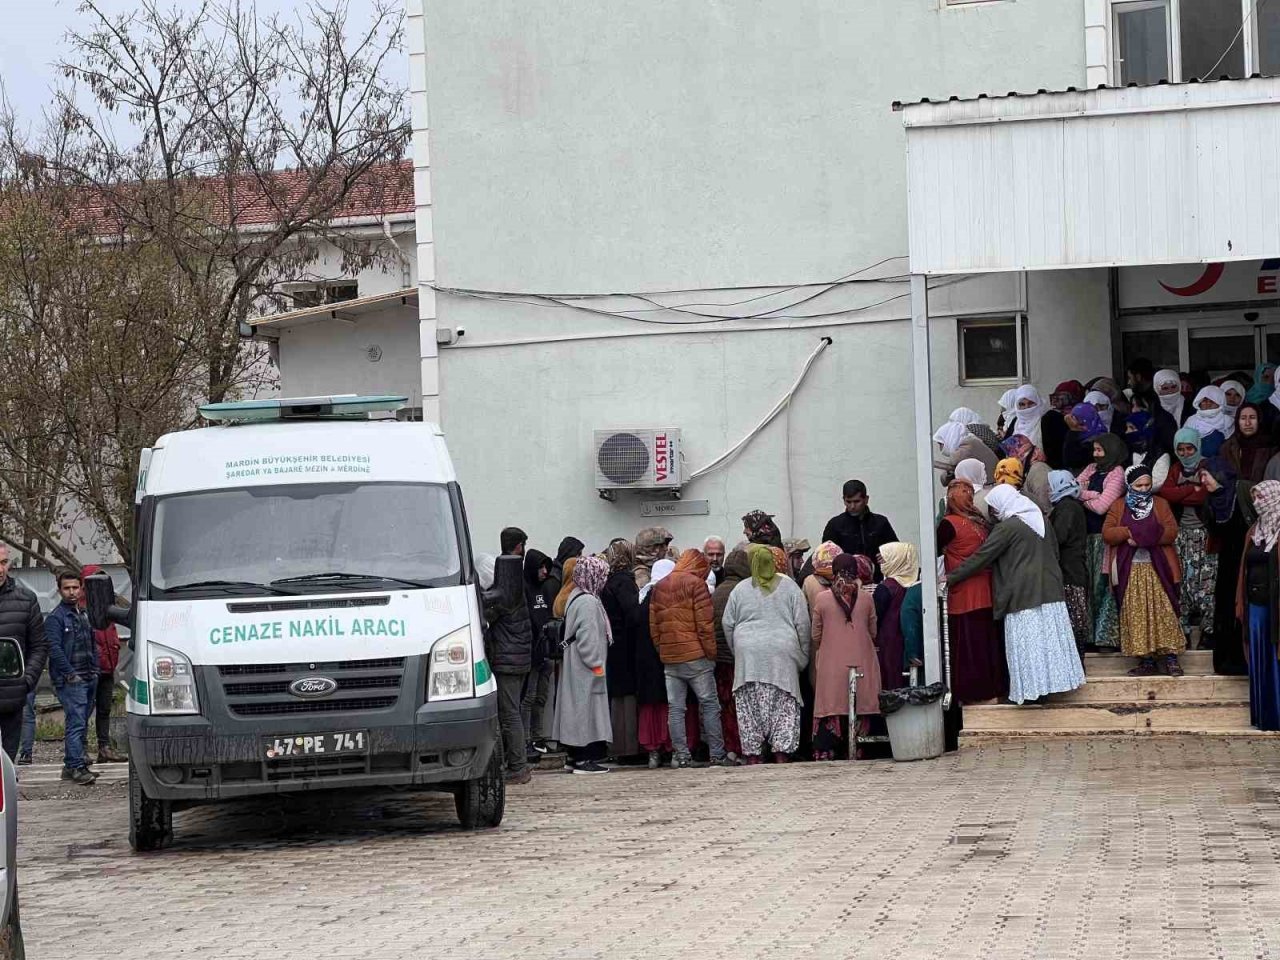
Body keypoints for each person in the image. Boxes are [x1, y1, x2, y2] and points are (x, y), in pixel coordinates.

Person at [946, 486, 1086, 704]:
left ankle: (1032, 693)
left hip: (1023, 595)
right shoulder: (1041, 521)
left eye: (993, 508)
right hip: (1051, 591)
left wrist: (950, 578)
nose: (992, 514)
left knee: (1029, 647)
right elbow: (1055, 552)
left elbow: (982, 557)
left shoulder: (1008, 528)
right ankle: (1050, 688)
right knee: (1048, 644)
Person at [722, 546, 812, 763]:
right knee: (784, 705)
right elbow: (803, 623)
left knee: (749, 707)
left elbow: (727, 623)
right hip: (783, 655)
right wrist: (803, 656)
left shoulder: (740, 589)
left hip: (748, 657)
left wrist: (739, 652)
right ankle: (781, 754)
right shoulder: (790, 587)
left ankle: (753, 756)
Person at [649, 549, 730, 767]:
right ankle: (717, 754)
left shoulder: (660, 586)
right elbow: (705, 625)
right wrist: (711, 654)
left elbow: (654, 626)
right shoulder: (697, 585)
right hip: (697, 657)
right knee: (710, 705)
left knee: (676, 708)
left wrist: (663, 650)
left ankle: (682, 757)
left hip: (670, 657)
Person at [1103, 466, 1185, 677]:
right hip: (1131, 571)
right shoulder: (1119, 506)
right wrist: (1129, 532)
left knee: (1164, 610)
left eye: (1147, 485)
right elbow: (1108, 533)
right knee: (1137, 613)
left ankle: (1171, 658)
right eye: (1138, 485)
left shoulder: (1160, 504)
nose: (1143, 489)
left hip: (1158, 569)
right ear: (1130, 485)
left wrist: (1144, 537)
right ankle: (1146, 660)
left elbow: (1171, 531)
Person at [1159, 427, 1237, 648]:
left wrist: (1183, 491)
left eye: (1189, 448)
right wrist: (1189, 489)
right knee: (1181, 581)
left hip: (1206, 535)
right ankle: (1181, 631)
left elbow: (1204, 495)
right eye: (1181, 449)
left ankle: (1208, 632)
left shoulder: (1208, 466)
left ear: (1198, 447)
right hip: (1180, 536)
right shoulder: (1176, 469)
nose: (1185, 453)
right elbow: (1166, 492)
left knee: (1207, 583)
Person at [937, 482, 1004, 703]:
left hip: (966, 594)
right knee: (984, 644)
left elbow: (933, 550)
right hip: (983, 591)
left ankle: (975, 694)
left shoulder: (951, 523)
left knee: (970, 647)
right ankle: (990, 692)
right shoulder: (978, 522)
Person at [810, 553, 882, 759]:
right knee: (862, 702)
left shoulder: (822, 599)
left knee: (831, 703)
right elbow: (873, 632)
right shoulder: (867, 598)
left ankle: (828, 750)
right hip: (862, 661)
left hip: (831, 664)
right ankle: (860, 748)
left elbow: (816, 635)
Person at [551, 556, 613, 773]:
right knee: (585, 711)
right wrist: (597, 666)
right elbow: (588, 640)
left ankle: (574, 757)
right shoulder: (589, 602)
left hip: (576, 665)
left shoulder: (576, 597)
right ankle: (583, 759)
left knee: (576, 710)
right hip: (586, 669)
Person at [482, 555, 534, 784]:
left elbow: (485, 615)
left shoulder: (504, 597)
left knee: (510, 714)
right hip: (518, 660)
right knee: (514, 712)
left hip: (508, 663)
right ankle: (518, 763)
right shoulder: (515, 592)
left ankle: (518, 767)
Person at [46, 570, 98, 784]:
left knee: (82, 722)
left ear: (81, 589)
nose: (72, 592)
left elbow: (92, 643)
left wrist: (96, 669)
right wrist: (70, 674)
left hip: (89, 675)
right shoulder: (56, 618)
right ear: (59, 590)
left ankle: (73, 764)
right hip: (71, 680)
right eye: (67, 588)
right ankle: (76, 766)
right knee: (76, 723)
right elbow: (54, 649)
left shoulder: (84, 614)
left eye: (75, 587)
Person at [1077, 433, 1129, 649]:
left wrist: (1082, 495)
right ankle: (1089, 636)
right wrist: (1092, 494)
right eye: (1094, 450)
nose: (1096, 454)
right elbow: (1072, 488)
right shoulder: (1092, 468)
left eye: (1100, 450)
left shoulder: (1117, 473)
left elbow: (1102, 507)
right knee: (1089, 586)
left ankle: (1106, 637)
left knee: (1104, 585)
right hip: (1087, 537)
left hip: (1104, 539)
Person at [1236, 481, 1280, 729]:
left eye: (1261, 497)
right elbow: (1244, 567)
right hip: (1255, 604)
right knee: (1259, 656)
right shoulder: (1255, 530)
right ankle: (1263, 716)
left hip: (1275, 605)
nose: (1257, 503)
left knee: (1275, 656)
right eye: (1254, 498)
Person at [0, 546, 46, 763]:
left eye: (3, 562)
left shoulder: (26, 600)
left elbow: (39, 646)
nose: (0, 569)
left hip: (13, 695)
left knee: (8, 762)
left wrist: (26, 681)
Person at [600, 540, 641, 760]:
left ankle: (618, 745)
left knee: (618, 695)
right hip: (626, 645)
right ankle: (628, 748)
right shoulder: (624, 581)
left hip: (614, 644)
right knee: (627, 696)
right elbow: (632, 614)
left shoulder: (609, 581)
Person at [82, 564, 126, 764]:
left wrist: (114, 654)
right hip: (90, 669)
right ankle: (81, 749)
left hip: (108, 667)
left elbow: (111, 633)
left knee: (104, 709)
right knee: (83, 711)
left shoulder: (107, 605)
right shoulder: (81, 608)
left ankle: (104, 747)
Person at [635, 559, 677, 767]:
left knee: (650, 706)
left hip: (646, 663)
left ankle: (653, 751)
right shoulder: (671, 597)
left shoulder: (643, 597)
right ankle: (672, 747)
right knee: (669, 705)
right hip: (668, 658)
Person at [711, 549, 750, 763]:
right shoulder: (745, 592)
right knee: (743, 705)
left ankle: (730, 747)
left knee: (725, 705)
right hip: (739, 658)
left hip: (719, 659)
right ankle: (745, 746)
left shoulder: (717, 591)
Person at [1047, 470, 1090, 651]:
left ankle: (1076, 660)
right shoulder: (1070, 506)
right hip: (1073, 570)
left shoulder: (1066, 508)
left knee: (1072, 621)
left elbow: (1059, 537)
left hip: (1069, 572)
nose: (1048, 489)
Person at [521, 549, 557, 759]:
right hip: (532, 653)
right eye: (540, 567)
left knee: (541, 697)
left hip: (546, 652)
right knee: (529, 697)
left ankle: (537, 737)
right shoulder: (524, 589)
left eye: (546, 567)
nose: (544, 572)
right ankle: (525, 740)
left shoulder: (544, 588)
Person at [820, 480, 898, 576]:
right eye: (848, 502)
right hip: (846, 579)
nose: (852, 506)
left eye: (857, 501)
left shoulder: (881, 523)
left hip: (877, 578)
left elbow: (897, 552)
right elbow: (825, 558)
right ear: (843, 500)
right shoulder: (834, 525)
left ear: (866, 499)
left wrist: (888, 555)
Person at [1001, 434, 1053, 514]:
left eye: (1011, 454)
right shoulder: (1029, 470)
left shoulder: (1038, 470)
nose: (1009, 459)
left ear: (1022, 454)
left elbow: (1046, 507)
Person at [1122, 411, 1171, 493]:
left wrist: (1134, 486)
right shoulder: (1127, 450)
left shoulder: (1160, 454)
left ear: (1144, 429)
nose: (1127, 432)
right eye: (1127, 428)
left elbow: (1157, 483)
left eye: (1131, 428)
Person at [1183, 386, 1233, 457]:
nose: (1208, 404)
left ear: (1220, 402)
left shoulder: (1227, 421)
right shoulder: (1191, 420)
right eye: (1204, 400)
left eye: (1212, 401)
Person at [1062, 402, 1108, 472]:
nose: (1079, 428)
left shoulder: (1100, 441)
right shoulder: (1078, 437)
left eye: (1081, 424)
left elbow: (1072, 461)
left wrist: (1074, 430)